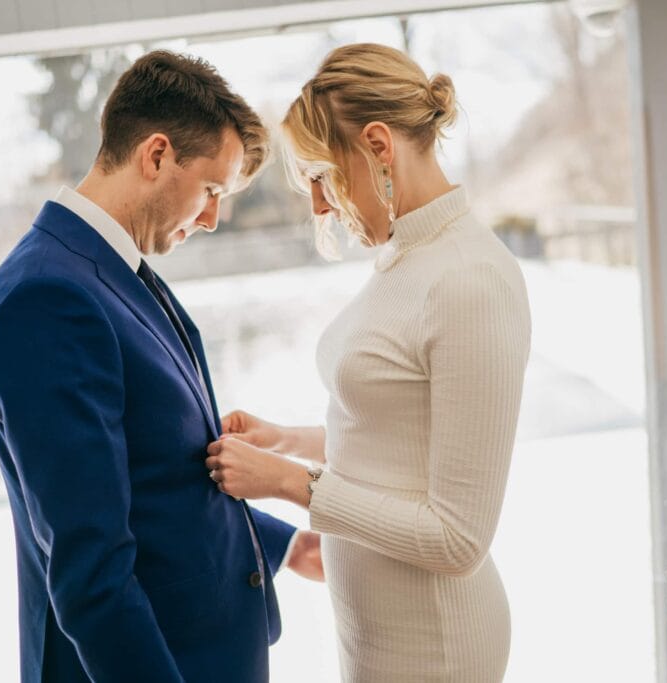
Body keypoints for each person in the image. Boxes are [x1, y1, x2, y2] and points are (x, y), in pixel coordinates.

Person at [0, 50, 321, 683]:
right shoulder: (47, 298)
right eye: (212, 190)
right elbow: (92, 571)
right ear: (156, 155)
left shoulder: (107, 270)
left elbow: (162, 475)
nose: (213, 218)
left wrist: (283, 545)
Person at [205, 43, 531, 682]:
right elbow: (399, 441)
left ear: (379, 146)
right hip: (381, 633)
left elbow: (458, 539)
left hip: (435, 645)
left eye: (322, 178)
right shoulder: (408, 255)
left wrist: (285, 482)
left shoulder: (470, 281)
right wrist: (288, 441)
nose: (320, 207)